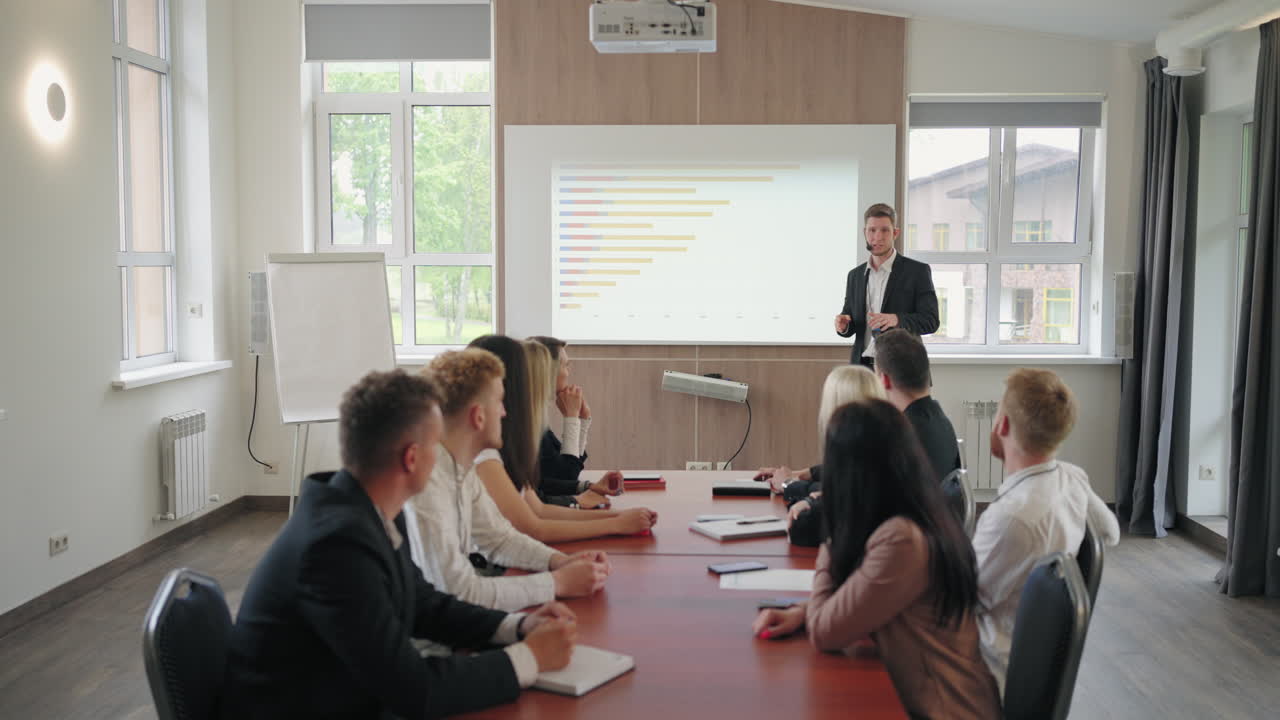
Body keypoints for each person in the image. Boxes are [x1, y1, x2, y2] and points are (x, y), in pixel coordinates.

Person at [222, 370, 577, 719]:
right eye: (436, 445)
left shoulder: (365, 509)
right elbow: (415, 691)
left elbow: (423, 604)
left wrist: (517, 628)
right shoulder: (334, 546)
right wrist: (529, 658)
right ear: (411, 458)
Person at [752, 400, 1001, 720]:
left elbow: (826, 632)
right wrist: (802, 612)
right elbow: (867, 597)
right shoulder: (911, 515)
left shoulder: (901, 539)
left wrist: (833, 531)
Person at [409, 348, 611, 613]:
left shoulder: (460, 468)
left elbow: (499, 539)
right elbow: (458, 591)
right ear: (478, 416)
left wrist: (560, 561)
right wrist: (556, 583)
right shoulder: (427, 482)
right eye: (499, 402)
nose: (505, 412)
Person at [972, 368, 1120, 694]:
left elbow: (960, 604)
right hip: (1029, 658)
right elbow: (1109, 533)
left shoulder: (1011, 518)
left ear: (1003, 425)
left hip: (986, 669)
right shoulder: (1071, 477)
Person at [468, 335, 657, 543]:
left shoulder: (510, 434)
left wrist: (615, 514)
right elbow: (537, 521)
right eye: (565, 366)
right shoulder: (487, 453)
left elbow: (537, 507)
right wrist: (609, 518)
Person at [834, 203, 940, 369]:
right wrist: (844, 325)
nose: (878, 237)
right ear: (865, 232)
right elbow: (851, 320)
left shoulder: (917, 271)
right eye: (872, 230)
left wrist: (896, 319)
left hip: (903, 369)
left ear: (895, 233)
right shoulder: (854, 276)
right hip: (863, 368)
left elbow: (931, 321)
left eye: (884, 230)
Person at [528, 335, 622, 508]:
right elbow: (565, 476)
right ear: (547, 371)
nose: (568, 372)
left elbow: (559, 473)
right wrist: (571, 418)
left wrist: (582, 421)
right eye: (565, 365)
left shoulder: (535, 414)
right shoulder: (525, 420)